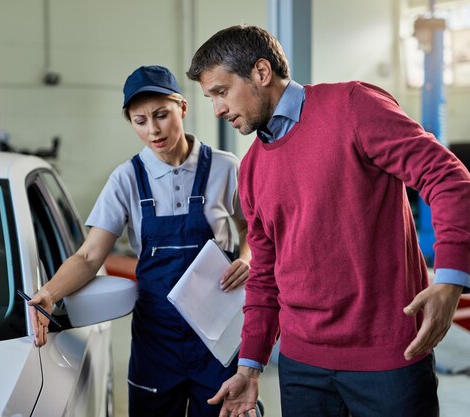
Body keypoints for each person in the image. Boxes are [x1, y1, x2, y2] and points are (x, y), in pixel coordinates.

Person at [186, 24, 470, 417]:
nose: (217, 108)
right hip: (302, 366)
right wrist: (250, 366)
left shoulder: (352, 105)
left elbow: (447, 176)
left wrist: (451, 279)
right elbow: (265, 275)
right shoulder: (250, 169)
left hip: (388, 357)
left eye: (221, 91)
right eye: (210, 97)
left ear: (261, 72)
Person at [28, 65, 251, 417]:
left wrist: (248, 258)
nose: (153, 130)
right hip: (157, 341)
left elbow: (248, 228)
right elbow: (88, 256)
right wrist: (50, 294)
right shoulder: (126, 179)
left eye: (162, 115)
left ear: (183, 108)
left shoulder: (226, 168)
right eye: (140, 120)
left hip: (219, 336)